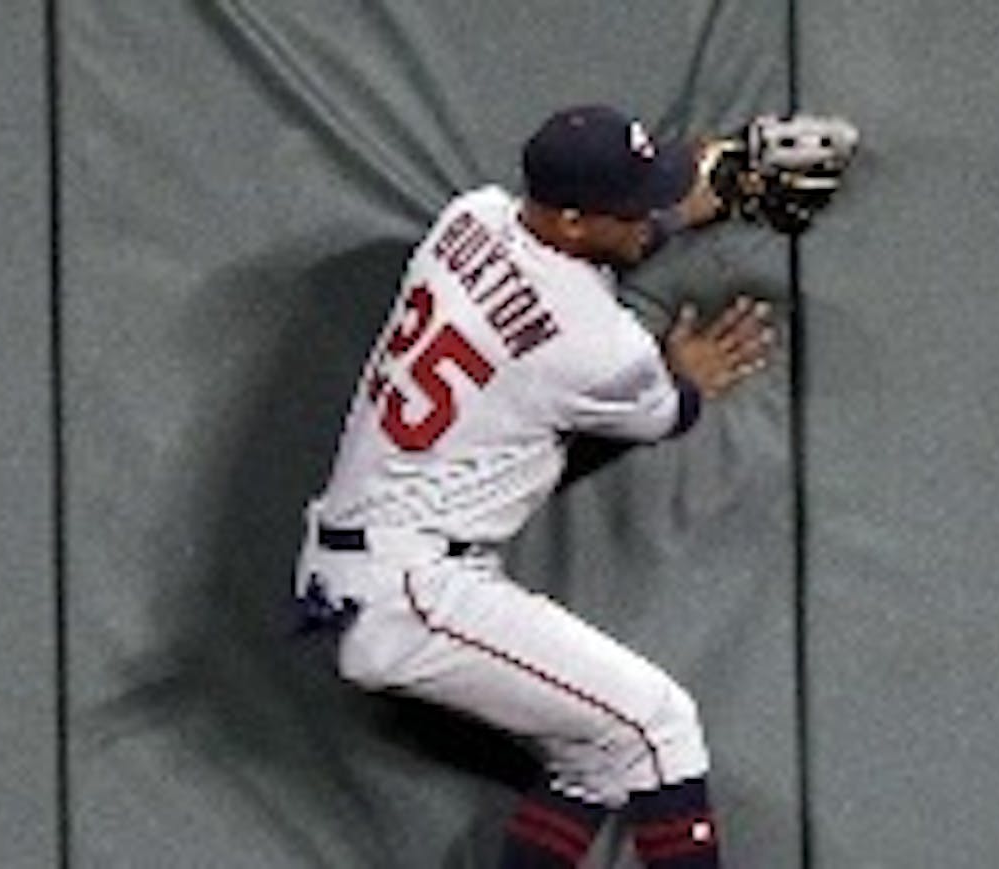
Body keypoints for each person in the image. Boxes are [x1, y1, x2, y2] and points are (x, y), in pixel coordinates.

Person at [293, 104, 774, 868]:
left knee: (602, 758)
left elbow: (625, 222)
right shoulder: (596, 344)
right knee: (660, 723)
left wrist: (721, 168)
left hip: (373, 558)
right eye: (632, 203)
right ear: (577, 222)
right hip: (412, 583)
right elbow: (668, 407)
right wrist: (690, 375)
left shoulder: (472, 217)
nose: (648, 210)